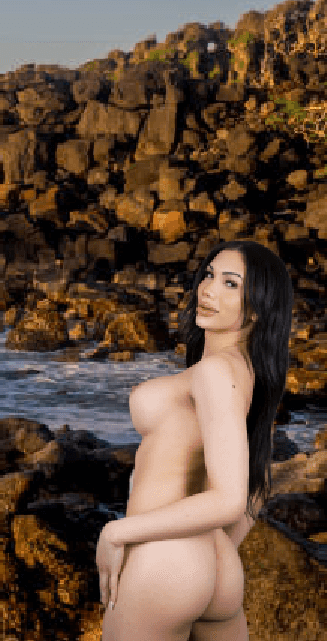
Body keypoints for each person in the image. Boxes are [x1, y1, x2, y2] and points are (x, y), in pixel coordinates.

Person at [96, 240, 292, 641]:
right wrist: (215, 560)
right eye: (209, 275)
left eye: (231, 284)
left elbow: (230, 497)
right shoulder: (248, 373)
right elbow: (255, 484)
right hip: (217, 561)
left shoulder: (216, 373)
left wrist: (116, 533)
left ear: (257, 308)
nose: (208, 290)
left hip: (165, 558)